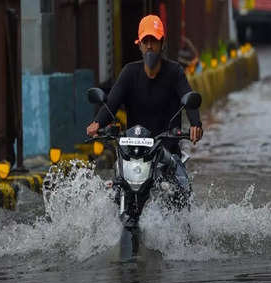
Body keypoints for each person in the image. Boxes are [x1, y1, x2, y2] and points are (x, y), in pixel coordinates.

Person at [86, 14, 203, 195]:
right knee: (113, 191)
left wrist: (196, 124)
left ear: (162, 43)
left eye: (154, 41)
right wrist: (98, 123)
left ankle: (184, 221)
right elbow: (112, 103)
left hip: (167, 153)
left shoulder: (175, 72)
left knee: (182, 193)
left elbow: (188, 97)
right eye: (145, 41)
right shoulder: (129, 72)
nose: (149, 46)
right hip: (134, 154)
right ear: (139, 44)